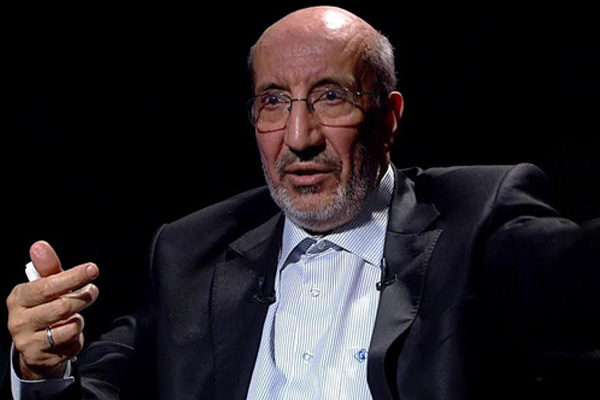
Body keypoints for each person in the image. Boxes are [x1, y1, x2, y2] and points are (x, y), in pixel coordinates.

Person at [3, 5, 600, 400]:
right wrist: (41, 369)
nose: (299, 137)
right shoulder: (191, 253)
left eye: (330, 96)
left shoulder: (477, 216)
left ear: (389, 117)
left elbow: (573, 281)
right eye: (273, 101)